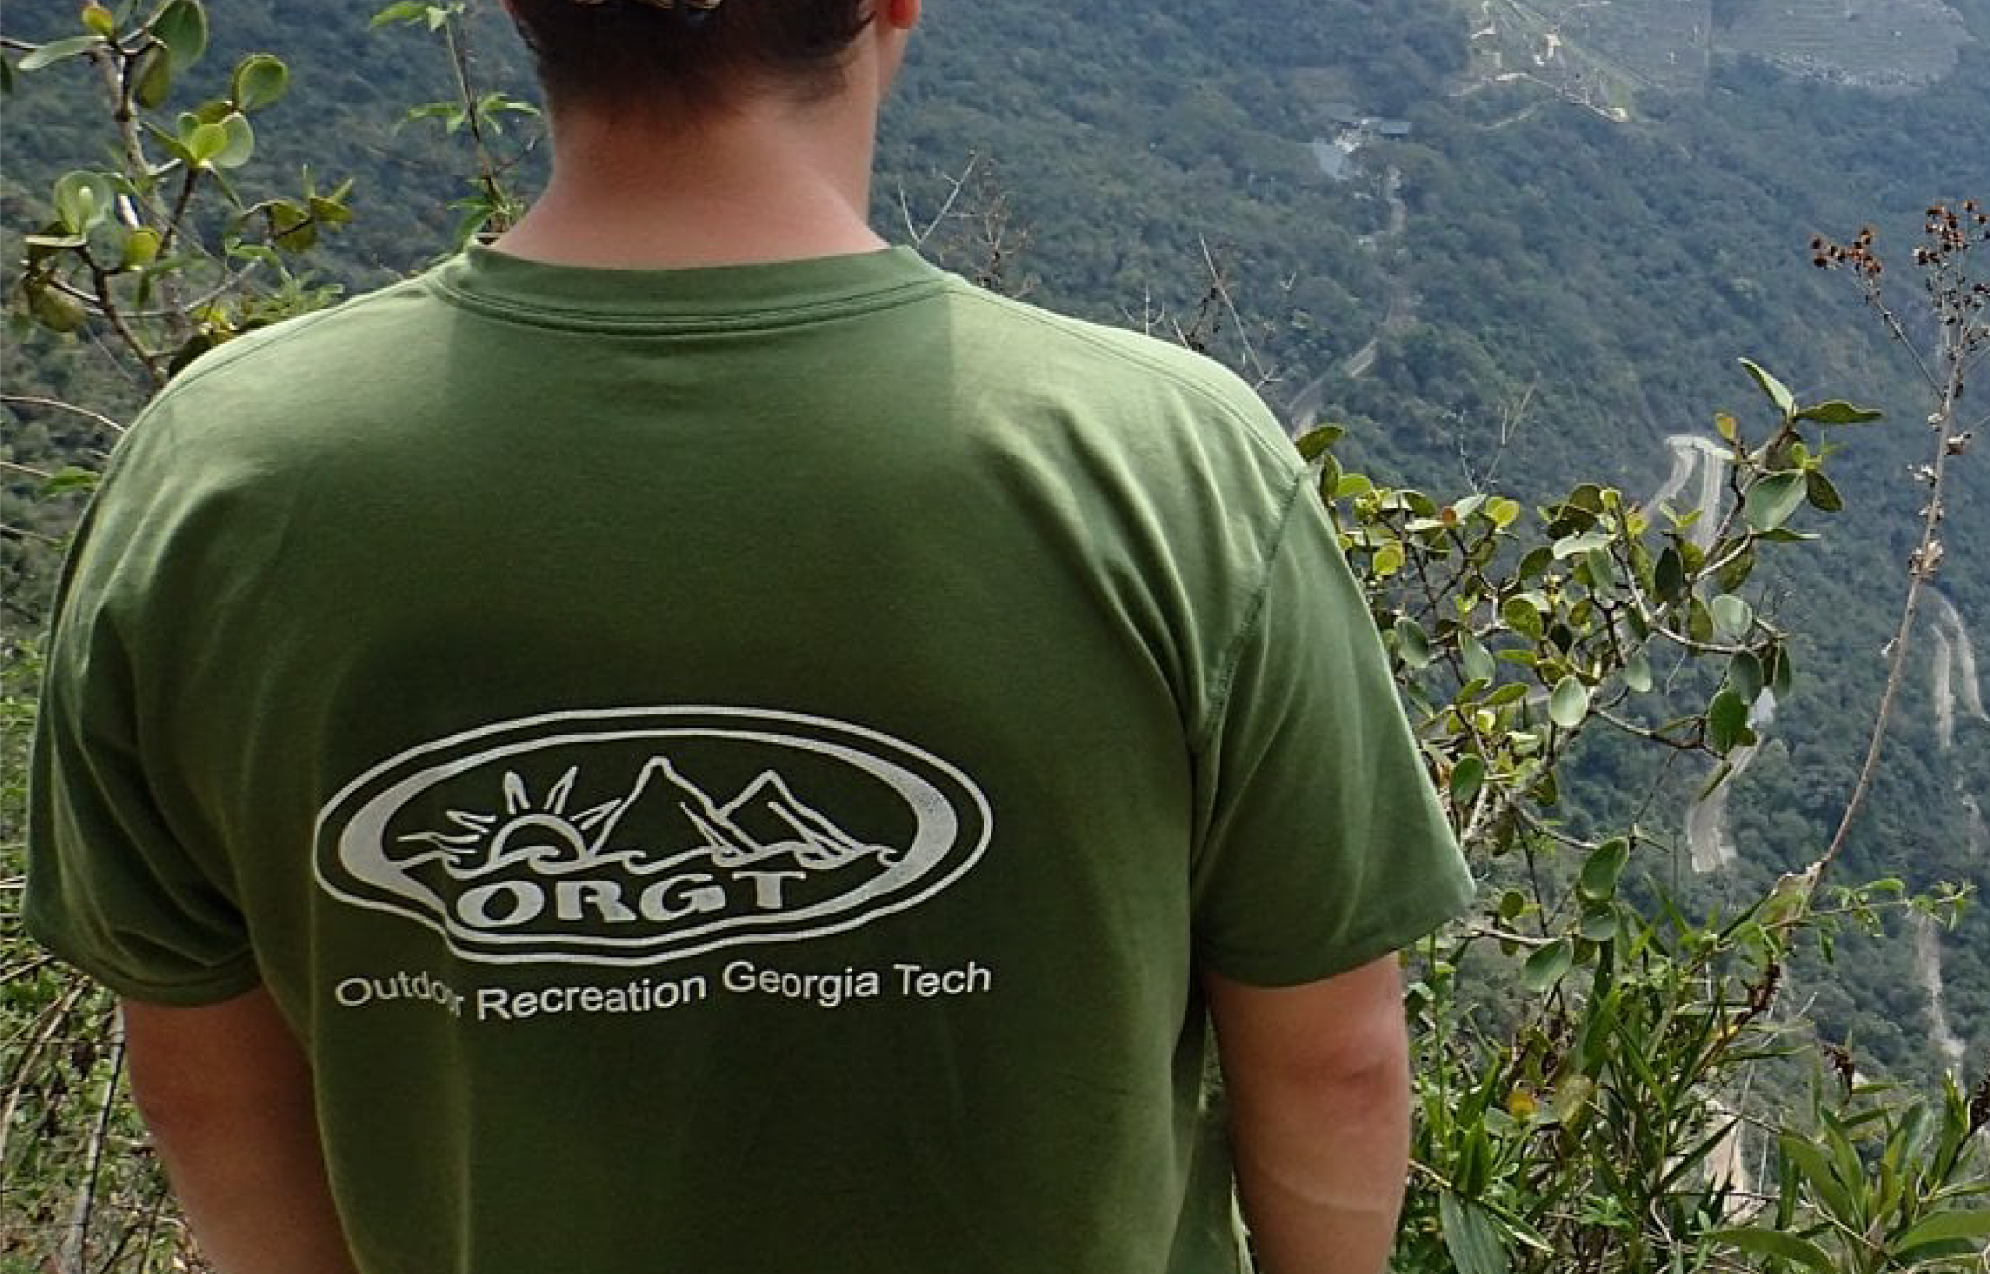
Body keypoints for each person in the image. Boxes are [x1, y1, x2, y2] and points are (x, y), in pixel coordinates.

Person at [21, 0, 1473, 1269]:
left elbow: (206, 1088)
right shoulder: (1167, 466)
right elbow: (1333, 1066)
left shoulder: (221, 482)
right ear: (892, 3)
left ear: (520, 13)